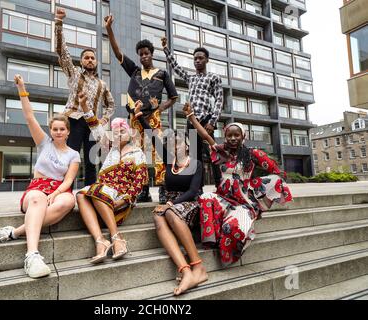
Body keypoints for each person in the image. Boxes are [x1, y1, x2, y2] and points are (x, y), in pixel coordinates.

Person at [0, 75, 80, 278]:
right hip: (38, 187)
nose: (58, 132)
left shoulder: (74, 154)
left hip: (60, 188)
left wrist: (57, 193)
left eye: (62, 129)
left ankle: (12, 233)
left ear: (68, 132)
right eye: (55, 129)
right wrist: (22, 89)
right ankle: (32, 255)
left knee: (68, 202)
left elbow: (69, 180)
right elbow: (29, 116)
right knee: (38, 199)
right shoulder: (44, 143)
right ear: (50, 131)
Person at [184, 104, 293, 267]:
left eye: (237, 135)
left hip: (242, 204)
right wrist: (191, 117)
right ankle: (211, 240)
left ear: (243, 137)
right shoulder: (221, 152)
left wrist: (257, 191)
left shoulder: (252, 154)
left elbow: (276, 171)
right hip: (223, 199)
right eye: (229, 135)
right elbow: (205, 135)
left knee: (231, 227)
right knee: (206, 197)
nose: (233, 138)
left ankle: (229, 252)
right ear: (225, 136)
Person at [130, 101, 207, 296]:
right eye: (171, 143)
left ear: (187, 145)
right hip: (171, 204)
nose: (174, 145)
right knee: (158, 216)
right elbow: (152, 137)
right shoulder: (168, 160)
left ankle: (198, 266)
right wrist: (139, 116)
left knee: (170, 212)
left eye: (178, 142)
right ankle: (185, 269)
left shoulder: (196, 163)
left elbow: (193, 191)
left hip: (190, 203)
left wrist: (171, 204)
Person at [105, 14, 178, 203]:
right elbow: (117, 52)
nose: (144, 56)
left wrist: (160, 108)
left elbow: (174, 97)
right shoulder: (134, 71)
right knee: (138, 154)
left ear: (152, 54)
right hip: (135, 119)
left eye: (147, 53)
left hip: (153, 119)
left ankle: (162, 189)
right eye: (141, 54)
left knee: (159, 153)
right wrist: (109, 29)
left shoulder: (162, 74)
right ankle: (143, 190)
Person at [76, 106, 149, 264]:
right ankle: (100, 240)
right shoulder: (109, 149)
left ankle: (117, 237)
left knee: (96, 189)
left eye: (122, 131)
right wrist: (85, 107)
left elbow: (139, 182)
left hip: (121, 200)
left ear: (129, 132)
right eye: (115, 133)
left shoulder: (137, 153)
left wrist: (123, 200)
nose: (118, 135)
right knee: (81, 194)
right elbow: (96, 129)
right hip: (101, 196)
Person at [55, 7, 115, 186]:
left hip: (92, 124)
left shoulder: (102, 84)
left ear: (96, 62)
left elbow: (111, 105)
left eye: (92, 58)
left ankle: (89, 192)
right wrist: (59, 23)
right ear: (81, 61)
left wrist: (104, 120)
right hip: (72, 120)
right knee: (70, 156)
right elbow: (62, 52)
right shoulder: (74, 74)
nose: (90, 60)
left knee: (91, 160)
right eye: (86, 58)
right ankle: (66, 191)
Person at [162, 37, 223, 183]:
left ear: (207, 60)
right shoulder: (191, 78)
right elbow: (176, 67)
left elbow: (219, 100)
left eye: (201, 58)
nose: (197, 61)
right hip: (191, 120)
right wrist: (165, 49)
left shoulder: (213, 77)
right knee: (195, 155)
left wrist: (213, 122)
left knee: (212, 152)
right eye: (195, 59)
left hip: (206, 120)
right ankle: (198, 187)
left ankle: (220, 183)